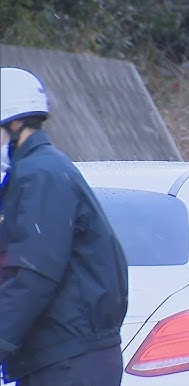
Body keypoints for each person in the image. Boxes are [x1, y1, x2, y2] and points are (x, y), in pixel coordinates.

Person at [0, 67, 129, 385]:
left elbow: (33, 271)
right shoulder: (39, 170)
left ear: (14, 124)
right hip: (61, 356)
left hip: (70, 361)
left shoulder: (40, 174)